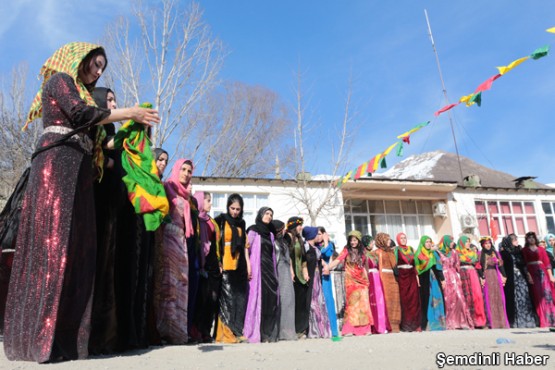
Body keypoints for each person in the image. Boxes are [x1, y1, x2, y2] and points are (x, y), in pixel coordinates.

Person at [3, 42, 159, 363]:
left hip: (80, 171)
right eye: (95, 63)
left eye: (102, 67)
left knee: (79, 253)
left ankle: (65, 342)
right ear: (80, 58)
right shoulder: (60, 81)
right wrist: (127, 111)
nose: (98, 71)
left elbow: (104, 138)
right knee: (52, 248)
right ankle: (36, 339)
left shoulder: (88, 96)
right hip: (56, 163)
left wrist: (133, 123)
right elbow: (79, 113)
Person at [88, 87, 121, 354]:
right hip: (92, 205)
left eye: (115, 100)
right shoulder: (92, 129)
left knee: (107, 270)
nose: (113, 103)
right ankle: (87, 336)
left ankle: (104, 337)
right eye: (108, 100)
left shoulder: (114, 135)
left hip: (112, 209)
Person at [155, 159, 194, 344]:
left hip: (181, 240)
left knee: (181, 284)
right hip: (168, 237)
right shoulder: (167, 187)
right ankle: (164, 329)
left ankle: (178, 330)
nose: (186, 173)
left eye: (189, 171)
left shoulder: (187, 195)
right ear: (176, 170)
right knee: (168, 283)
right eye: (183, 169)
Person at [214, 194, 250, 343]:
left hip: (240, 265)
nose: (235, 211)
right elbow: (215, 243)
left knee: (239, 300)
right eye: (232, 208)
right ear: (228, 206)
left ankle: (236, 331)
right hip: (226, 263)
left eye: (238, 209)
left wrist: (248, 266)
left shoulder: (242, 223)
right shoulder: (220, 220)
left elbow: (245, 247)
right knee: (227, 300)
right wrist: (218, 262)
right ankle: (225, 334)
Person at [244, 207, 280, 343]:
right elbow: (246, 249)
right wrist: (248, 266)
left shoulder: (270, 234)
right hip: (258, 269)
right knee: (258, 299)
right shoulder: (253, 230)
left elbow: (273, 254)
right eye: (267, 213)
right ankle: (255, 332)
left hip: (270, 270)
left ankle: (267, 333)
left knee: (270, 300)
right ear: (260, 214)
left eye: (271, 214)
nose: (269, 216)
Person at [328, 230, 373, 336]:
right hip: (351, 281)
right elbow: (338, 260)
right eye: (351, 240)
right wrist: (328, 267)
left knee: (364, 304)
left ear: (358, 240)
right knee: (352, 304)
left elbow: (365, 267)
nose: (353, 242)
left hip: (362, 281)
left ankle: (365, 329)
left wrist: (367, 281)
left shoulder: (363, 251)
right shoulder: (346, 250)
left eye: (355, 240)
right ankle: (349, 329)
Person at [192, 191, 222, 343]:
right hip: (199, 262)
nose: (210, 203)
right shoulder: (195, 219)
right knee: (201, 298)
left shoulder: (213, 222)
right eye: (208, 200)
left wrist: (218, 262)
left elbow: (216, 244)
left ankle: (205, 330)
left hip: (212, 264)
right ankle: (195, 330)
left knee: (212, 298)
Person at [436, 235, 473, 330]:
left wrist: (459, 277)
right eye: (451, 241)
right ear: (446, 242)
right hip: (444, 277)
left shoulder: (454, 252)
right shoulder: (438, 252)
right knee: (448, 300)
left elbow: (457, 265)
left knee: (459, 298)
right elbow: (438, 266)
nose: (453, 243)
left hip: (454, 277)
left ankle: (462, 321)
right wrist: (441, 279)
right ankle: (451, 323)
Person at [499, 234, 536, 328]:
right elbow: (502, 267)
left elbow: (524, 265)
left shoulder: (518, 252)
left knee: (524, 298)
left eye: (516, 239)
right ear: (509, 241)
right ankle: (515, 322)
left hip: (521, 278)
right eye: (514, 240)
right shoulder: (504, 253)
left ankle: (527, 321)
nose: (516, 241)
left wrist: (528, 275)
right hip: (511, 279)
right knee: (513, 299)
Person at [302, 226, 331, 339]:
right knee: (313, 304)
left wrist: (324, 264)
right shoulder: (305, 246)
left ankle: (321, 329)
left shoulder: (316, 248)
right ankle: (313, 330)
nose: (319, 236)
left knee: (319, 303)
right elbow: (303, 261)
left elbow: (320, 259)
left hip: (317, 279)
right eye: (317, 234)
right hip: (311, 278)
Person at [521, 231, 555, 327]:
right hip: (532, 273)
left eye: (533, 237)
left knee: (547, 294)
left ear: (535, 239)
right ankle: (543, 320)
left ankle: (552, 320)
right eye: (529, 238)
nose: (531, 239)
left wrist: (551, 276)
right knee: (537, 296)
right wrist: (528, 275)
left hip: (543, 273)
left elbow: (547, 263)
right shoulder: (524, 250)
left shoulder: (541, 249)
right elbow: (524, 264)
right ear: (527, 240)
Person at [272, 219, 297, 341]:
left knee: (289, 300)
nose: (283, 231)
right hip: (279, 273)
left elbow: (288, 258)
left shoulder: (283, 243)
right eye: (281, 229)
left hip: (286, 273)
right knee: (280, 301)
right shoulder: (274, 243)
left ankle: (287, 331)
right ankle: (280, 331)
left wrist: (291, 271)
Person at [415, 236, 445, 331]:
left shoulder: (433, 253)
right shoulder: (419, 253)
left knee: (437, 298)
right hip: (424, 280)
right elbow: (420, 266)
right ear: (423, 243)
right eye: (426, 242)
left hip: (434, 279)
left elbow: (438, 266)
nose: (428, 243)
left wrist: (442, 279)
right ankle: (427, 323)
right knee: (427, 300)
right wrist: (431, 252)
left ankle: (439, 323)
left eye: (429, 242)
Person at [285, 217, 309, 338]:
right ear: (294, 226)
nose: (301, 227)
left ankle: (301, 329)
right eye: (299, 225)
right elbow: (287, 255)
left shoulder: (300, 239)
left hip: (300, 276)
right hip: (291, 274)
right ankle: (292, 329)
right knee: (292, 303)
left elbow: (303, 258)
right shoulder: (287, 237)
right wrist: (291, 270)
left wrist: (305, 272)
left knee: (301, 303)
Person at [455, 236, 487, 328]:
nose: (468, 243)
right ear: (461, 243)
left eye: (469, 242)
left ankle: (479, 321)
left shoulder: (473, 253)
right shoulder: (457, 253)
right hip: (463, 275)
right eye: (466, 242)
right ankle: (468, 321)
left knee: (477, 296)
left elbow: (477, 265)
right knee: (466, 297)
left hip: (473, 274)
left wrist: (482, 276)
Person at [478, 236, 509, 329]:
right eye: (486, 244)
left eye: (489, 243)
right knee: (489, 298)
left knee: (498, 297)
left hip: (496, 276)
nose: (488, 245)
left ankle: (501, 321)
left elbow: (501, 266)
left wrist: (504, 276)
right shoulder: (480, 254)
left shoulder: (495, 253)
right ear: (482, 245)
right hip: (487, 276)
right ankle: (490, 322)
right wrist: (481, 277)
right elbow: (479, 267)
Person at [373, 232, 401, 332]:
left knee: (395, 300)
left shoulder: (390, 252)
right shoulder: (377, 252)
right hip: (383, 278)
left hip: (392, 278)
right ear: (382, 240)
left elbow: (395, 267)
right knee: (386, 301)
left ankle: (395, 325)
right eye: (388, 239)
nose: (389, 241)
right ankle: (386, 325)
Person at [362, 235, 390, 334]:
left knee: (380, 300)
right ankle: (376, 326)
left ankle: (383, 325)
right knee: (373, 301)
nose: (372, 243)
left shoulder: (374, 254)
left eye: (372, 242)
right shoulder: (363, 254)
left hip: (377, 277)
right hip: (370, 277)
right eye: (370, 242)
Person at [395, 232, 421, 332]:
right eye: (401, 238)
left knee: (414, 299)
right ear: (398, 240)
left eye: (405, 238)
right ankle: (406, 325)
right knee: (405, 300)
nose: (403, 240)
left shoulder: (411, 249)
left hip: (411, 275)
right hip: (402, 276)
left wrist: (417, 277)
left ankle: (415, 325)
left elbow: (415, 265)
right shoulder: (396, 250)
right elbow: (395, 264)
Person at [318, 227, 340, 339]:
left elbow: (326, 253)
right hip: (316, 276)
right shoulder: (314, 245)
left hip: (325, 276)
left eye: (319, 234)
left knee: (328, 301)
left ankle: (333, 330)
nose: (318, 236)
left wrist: (326, 241)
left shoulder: (328, 245)